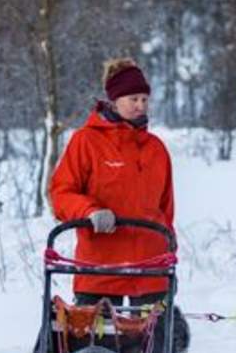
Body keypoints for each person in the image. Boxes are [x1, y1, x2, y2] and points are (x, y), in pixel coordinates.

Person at [48, 57, 175, 305]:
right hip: (100, 267)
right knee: (97, 340)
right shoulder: (86, 141)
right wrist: (90, 211)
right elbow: (61, 193)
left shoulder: (156, 149)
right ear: (115, 101)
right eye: (133, 99)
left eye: (144, 99)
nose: (140, 106)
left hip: (150, 269)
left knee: (153, 342)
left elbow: (166, 209)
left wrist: (169, 254)